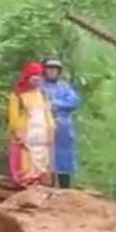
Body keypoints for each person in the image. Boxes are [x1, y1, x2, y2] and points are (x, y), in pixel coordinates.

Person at [6, 61, 54, 186]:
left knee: (42, 163)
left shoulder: (43, 94)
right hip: (26, 136)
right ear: (28, 77)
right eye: (34, 75)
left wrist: (51, 129)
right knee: (26, 163)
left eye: (39, 76)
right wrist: (17, 132)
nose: (37, 79)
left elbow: (47, 112)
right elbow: (13, 117)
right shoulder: (17, 95)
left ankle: (40, 184)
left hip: (42, 136)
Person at [40, 58, 80, 188]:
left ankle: (65, 187)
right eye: (49, 69)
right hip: (43, 125)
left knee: (64, 158)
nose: (52, 72)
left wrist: (54, 104)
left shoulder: (64, 86)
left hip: (62, 126)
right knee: (45, 157)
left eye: (55, 70)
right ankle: (47, 186)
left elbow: (73, 101)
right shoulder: (40, 86)